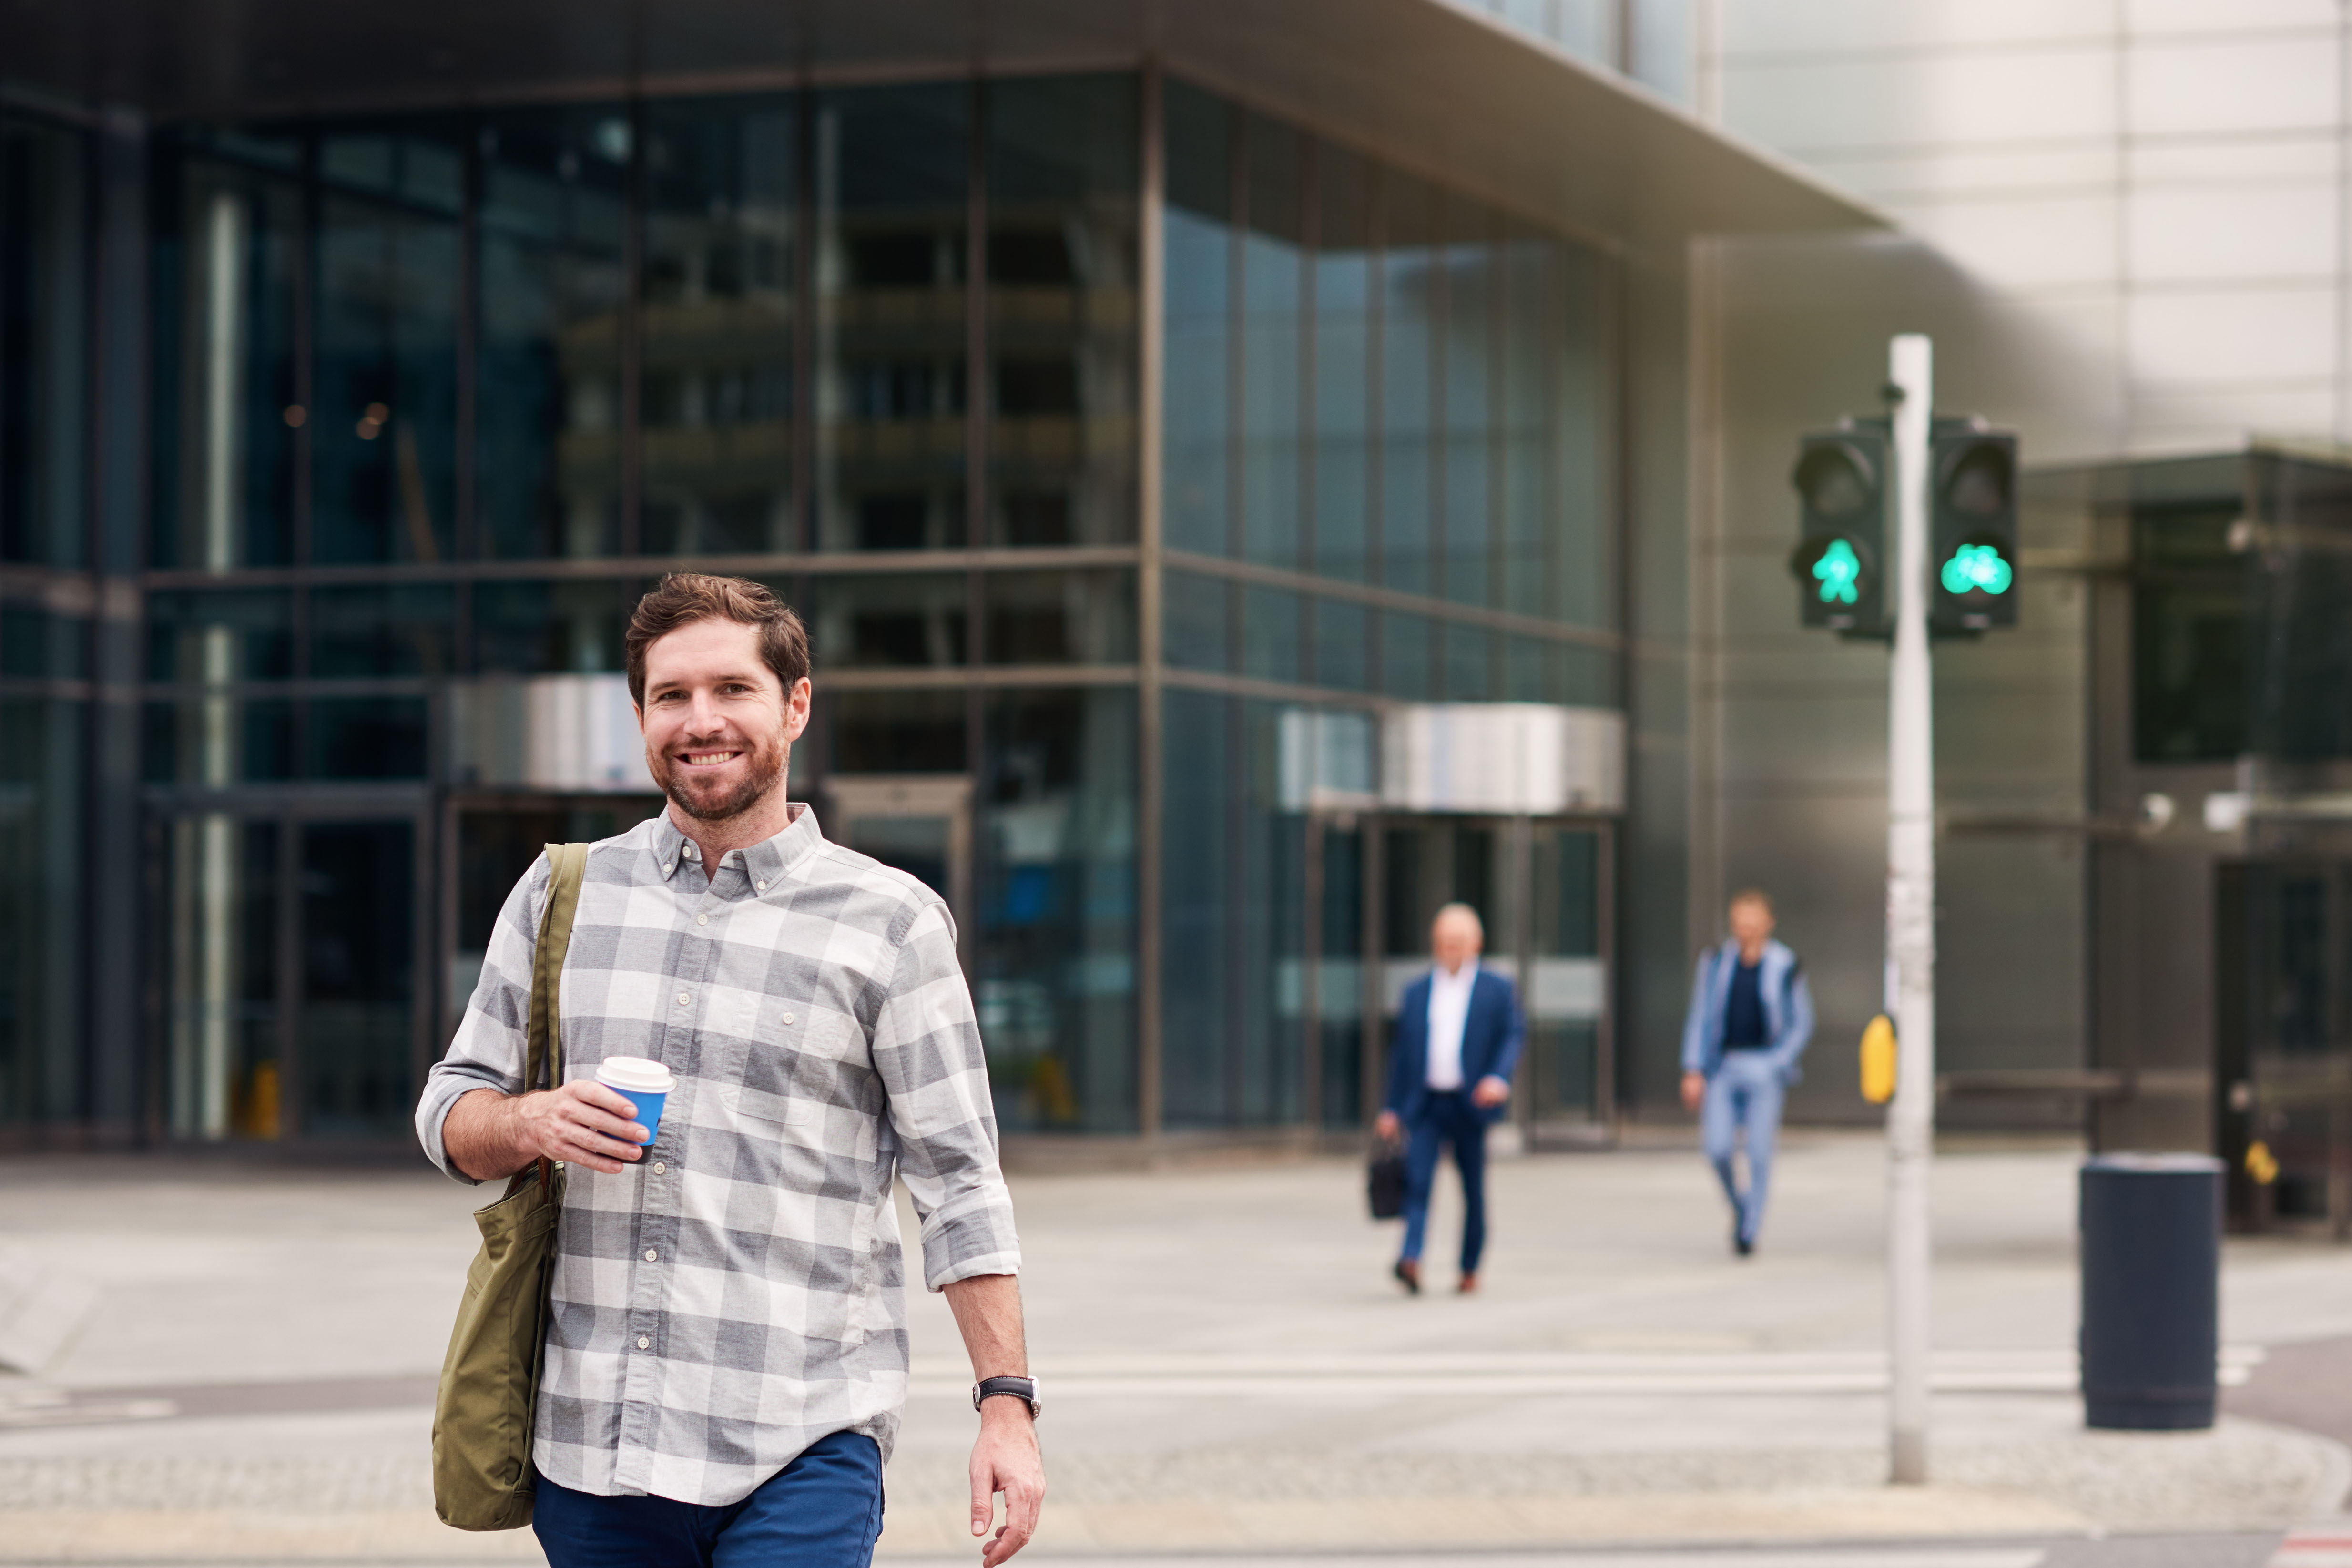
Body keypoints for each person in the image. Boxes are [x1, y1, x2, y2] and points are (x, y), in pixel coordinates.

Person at [415, 575, 1043, 1568]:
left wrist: (1005, 1406)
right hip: (595, 1448)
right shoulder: (560, 894)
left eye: (731, 690)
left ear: (794, 705)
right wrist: (531, 1121)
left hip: (803, 1433)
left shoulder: (890, 922)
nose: (700, 721)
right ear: (640, 718)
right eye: (671, 697)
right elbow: (449, 1109)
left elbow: (959, 1182)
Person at [1375, 904, 1525, 1296]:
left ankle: (1469, 1267)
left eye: (1457, 942)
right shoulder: (1416, 992)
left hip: (1470, 1104)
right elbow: (1403, 1056)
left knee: (1472, 1190)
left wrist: (1498, 1079)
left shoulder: (1497, 989)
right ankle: (1410, 1258)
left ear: (1476, 944)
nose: (1450, 949)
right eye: (1443, 943)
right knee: (1417, 1183)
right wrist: (1391, 1108)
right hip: (1427, 1104)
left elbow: (1512, 1037)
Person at [1679, 888, 1815, 1258]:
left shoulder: (1785, 965)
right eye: (1739, 923)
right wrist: (1693, 1068)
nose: (1746, 930)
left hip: (1764, 1066)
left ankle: (1749, 1229)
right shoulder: (1716, 962)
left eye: (1752, 922)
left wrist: (1778, 1062)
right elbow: (1700, 1017)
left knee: (1758, 1152)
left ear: (1767, 924)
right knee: (1717, 1148)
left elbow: (1801, 1023)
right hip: (1723, 1066)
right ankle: (1741, 1208)